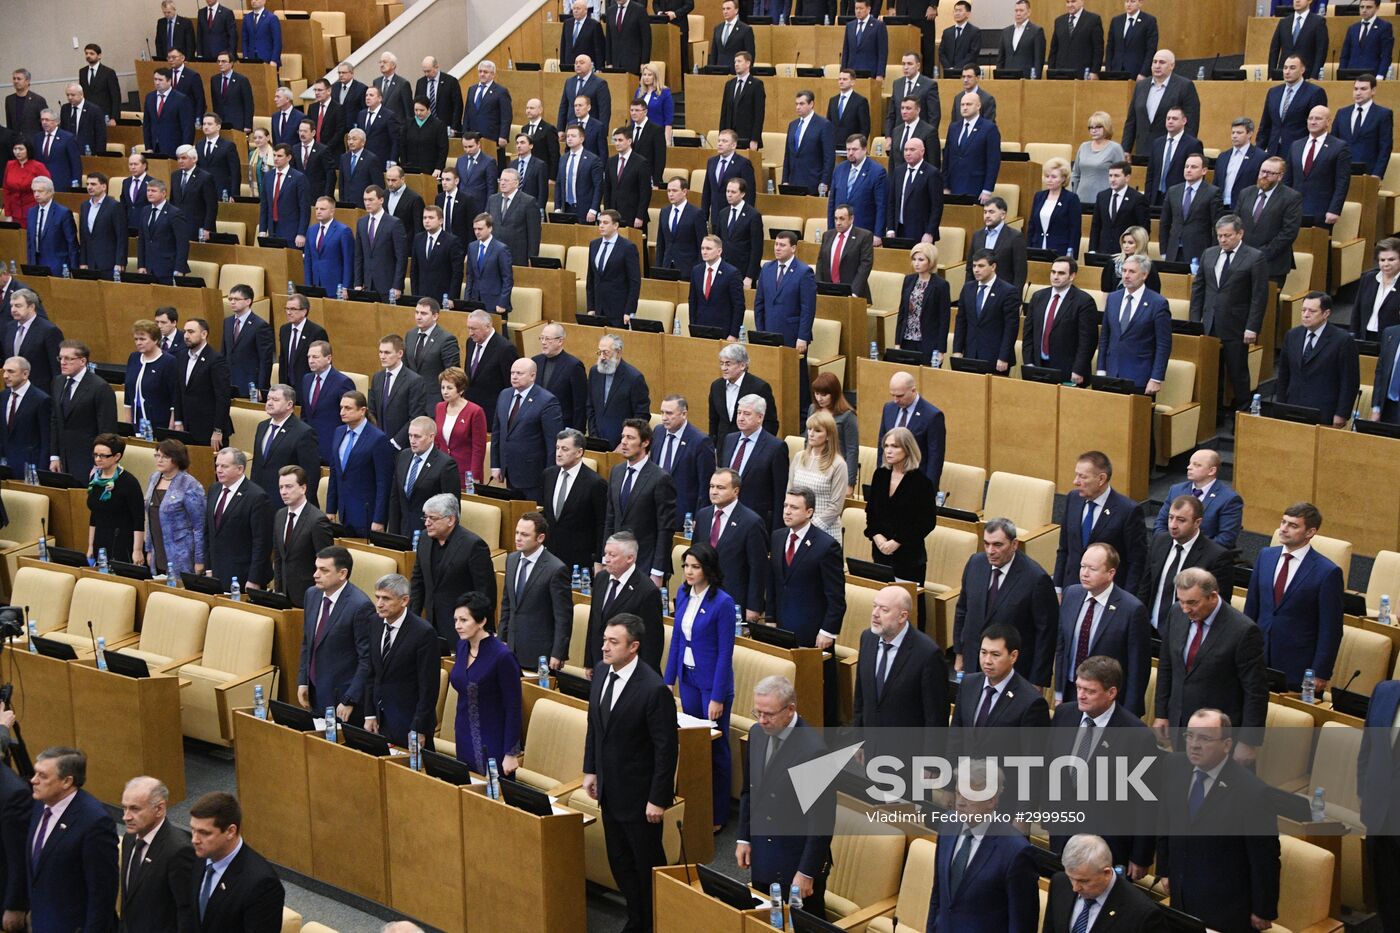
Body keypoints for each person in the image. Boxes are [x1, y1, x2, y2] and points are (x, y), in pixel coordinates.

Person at [583, 614, 677, 933]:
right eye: (604, 639)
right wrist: (590, 770)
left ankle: (657, 923)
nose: (605, 647)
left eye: (613, 642)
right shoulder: (600, 674)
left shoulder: (653, 689)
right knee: (620, 863)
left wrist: (658, 799)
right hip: (610, 790)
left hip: (640, 799)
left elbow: (666, 749)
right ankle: (637, 920)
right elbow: (594, 727)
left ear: (633, 647)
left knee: (646, 866)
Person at [1155, 710, 1282, 933]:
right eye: (1190, 736)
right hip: (1181, 894)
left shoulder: (1253, 793)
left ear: (1227, 745)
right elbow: (1165, 821)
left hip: (1226, 907)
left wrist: (1263, 909)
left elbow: (1264, 858)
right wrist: (1165, 869)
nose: (1194, 745)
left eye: (1204, 738)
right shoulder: (1173, 765)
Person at [1045, 661, 1161, 874]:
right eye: (1079, 687)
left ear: (1111, 692)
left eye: (1089, 690)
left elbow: (1147, 803)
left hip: (1107, 842)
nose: (1080, 695)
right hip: (1062, 834)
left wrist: (1140, 856)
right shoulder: (1065, 715)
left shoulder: (1137, 735)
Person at [736, 674, 834, 915]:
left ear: (790, 709)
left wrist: (806, 872)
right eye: (757, 712)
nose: (761, 720)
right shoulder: (757, 733)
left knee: (800, 924)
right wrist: (744, 837)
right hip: (763, 853)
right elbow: (750, 791)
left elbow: (821, 821)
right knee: (764, 919)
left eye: (768, 714)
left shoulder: (813, 750)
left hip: (795, 860)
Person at [1152, 569, 1269, 759]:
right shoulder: (1176, 613)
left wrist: (1248, 741)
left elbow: (1255, 691)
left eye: (1192, 602)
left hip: (1218, 735)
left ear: (1213, 596)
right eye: (1181, 601)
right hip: (1181, 724)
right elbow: (1167, 666)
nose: (1185, 609)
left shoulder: (1243, 631)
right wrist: (1161, 713)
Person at [663, 543, 736, 827]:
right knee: (693, 744)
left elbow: (724, 652)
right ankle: (696, 808)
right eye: (685, 566)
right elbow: (678, 640)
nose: (689, 572)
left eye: (695, 567)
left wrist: (717, 697)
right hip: (689, 680)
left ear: (708, 569)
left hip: (712, 685)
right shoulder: (682, 593)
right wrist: (668, 681)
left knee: (715, 748)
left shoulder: (723, 602)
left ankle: (718, 814)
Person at [926, 761, 1039, 932]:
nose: (960, 803)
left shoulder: (1016, 850)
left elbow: (1022, 924)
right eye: (958, 793)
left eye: (968, 796)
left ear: (991, 801)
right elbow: (938, 894)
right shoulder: (948, 823)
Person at [1245, 502, 1344, 692]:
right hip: (1259, 657)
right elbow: (1251, 609)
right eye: (1283, 522)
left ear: (1310, 532)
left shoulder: (1327, 572)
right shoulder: (1265, 556)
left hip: (1297, 666)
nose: (1283, 529)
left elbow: (1330, 629)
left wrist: (1320, 672)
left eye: (1293, 525)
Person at [953, 517, 1058, 685]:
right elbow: (962, 610)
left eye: (997, 545)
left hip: (1013, 671)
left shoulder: (1036, 578)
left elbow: (1046, 633)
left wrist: (1037, 680)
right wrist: (959, 653)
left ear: (1014, 544)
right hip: (974, 662)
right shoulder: (975, 564)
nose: (990, 551)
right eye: (986, 544)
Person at [26, 747, 118, 932]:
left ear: (67, 781)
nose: (33, 780)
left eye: (42, 776)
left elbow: (102, 892)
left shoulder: (95, 822)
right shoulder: (41, 804)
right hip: (42, 921)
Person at [1055, 542, 1151, 713]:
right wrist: (1059, 693)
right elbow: (1062, 647)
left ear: (1110, 573)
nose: (1084, 573)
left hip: (1107, 701)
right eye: (1082, 566)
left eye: (1092, 568)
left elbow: (1138, 667)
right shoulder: (1071, 594)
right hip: (1071, 690)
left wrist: (1130, 712)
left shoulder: (1132, 609)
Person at [1190, 215, 1268, 412]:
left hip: (1236, 325)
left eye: (1227, 235)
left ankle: (1241, 414)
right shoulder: (1209, 253)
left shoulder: (1254, 257)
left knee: (1237, 372)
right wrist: (1194, 322)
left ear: (1240, 233)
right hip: (1210, 323)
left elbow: (1259, 296)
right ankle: (1213, 414)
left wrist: (1252, 327)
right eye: (1220, 236)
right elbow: (1199, 290)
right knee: (1210, 373)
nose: (1223, 240)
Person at [948, 625, 1052, 762]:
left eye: (995, 655)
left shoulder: (1031, 702)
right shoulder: (969, 684)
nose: (987, 661)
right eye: (983, 652)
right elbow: (956, 734)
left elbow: (1032, 760)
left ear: (1013, 656)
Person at [298, 546, 374, 724]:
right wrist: (303, 680)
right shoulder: (312, 594)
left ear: (342, 574)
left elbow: (366, 660)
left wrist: (350, 699)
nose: (316, 574)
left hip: (343, 700)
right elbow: (307, 642)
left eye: (324, 570)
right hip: (315, 692)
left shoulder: (360, 606)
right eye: (316, 568)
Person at [187, 792, 285, 931]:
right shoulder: (199, 856)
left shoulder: (262, 883)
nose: (194, 840)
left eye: (204, 833)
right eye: (193, 830)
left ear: (230, 831)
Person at [1054, 451, 1147, 594]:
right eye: (1076, 474)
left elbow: (1136, 561)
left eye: (1083, 477)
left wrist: (1126, 600)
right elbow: (1064, 548)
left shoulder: (1128, 511)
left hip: (1107, 593)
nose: (1075, 481)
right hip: (1071, 589)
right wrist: (1058, 587)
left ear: (1101, 479)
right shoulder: (1073, 499)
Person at [361, 573, 438, 745]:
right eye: (377, 597)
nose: (379, 604)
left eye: (386, 599)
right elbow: (371, 672)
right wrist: (370, 713)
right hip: (380, 720)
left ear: (404, 601)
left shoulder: (423, 633)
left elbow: (428, 688)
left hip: (409, 722)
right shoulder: (374, 623)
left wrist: (419, 728)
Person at [1141, 494, 1236, 632]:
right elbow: (1146, 584)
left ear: (1197, 522)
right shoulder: (1160, 541)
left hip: (1187, 632)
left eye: (1181, 520)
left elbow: (1217, 604)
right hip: (1150, 627)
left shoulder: (1217, 556)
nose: (1173, 525)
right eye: (1170, 517)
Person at [410, 494, 496, 644]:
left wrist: (482, 629)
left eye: (433, 518)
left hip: (462, 628)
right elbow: (418, 581)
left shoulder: (473, 546)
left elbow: (485, 591)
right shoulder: (424, 539)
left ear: (450, 519)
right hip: (430, 623)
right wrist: (412, 619)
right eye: (426, 518)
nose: (427, 523)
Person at [119, 775, 198, 933]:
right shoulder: (130, 837)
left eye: (135, 809)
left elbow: (186, 910)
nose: (125, 817)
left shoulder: (179, 850)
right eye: (124, 807)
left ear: (159, 809)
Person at [498, 512, 573, 670]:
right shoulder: (511, 560)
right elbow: (507, 604)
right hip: (510, 649)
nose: (518, 538)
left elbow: (563, 617)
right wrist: (502, 638)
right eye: (517, 532)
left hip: (539, 653)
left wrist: (558, 653)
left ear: (540, 538)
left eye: (524, 534)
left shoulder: (556, 569)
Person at [1043, 834, 1164, 932]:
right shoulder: (1060, 883)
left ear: (1106, 873)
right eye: (1071, 877)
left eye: (1083, 881)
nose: (1075, 888)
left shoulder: (1143, 914)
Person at [863, 424, 936, 584]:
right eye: (886, 446)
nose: (888, 451)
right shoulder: (880, 475)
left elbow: (926, 522)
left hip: (909, 558)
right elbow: (871, 512)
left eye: (895, 446)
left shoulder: (922, 483)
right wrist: (877, 536)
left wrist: (897, 542)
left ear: (908, 449)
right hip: (881, 552)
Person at [1275, 292, 1361, 427]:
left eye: (1312, 311)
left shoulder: (1342, 340)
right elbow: (1283, 374)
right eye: (1303, 310)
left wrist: (1342, 413)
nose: (1306, 314)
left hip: (1324, 412)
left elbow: (1349, 381)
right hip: (1292, 407)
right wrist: (1280, 405)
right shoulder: (1292, 335)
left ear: (1326, 314)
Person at [584, 533, 665, 672]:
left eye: (612, 555)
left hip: (628, 669)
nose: (606, 560)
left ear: (630, 558)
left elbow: (652, 643)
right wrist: (590, 662)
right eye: (606, 554)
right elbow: (594, 621)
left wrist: (641, 676)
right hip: (600, 663)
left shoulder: (647, 591)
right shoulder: (601, 579)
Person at [755, 231, 817, 407]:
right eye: (776, 244)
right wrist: (761, 332)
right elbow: (759, 303)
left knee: (796, 379)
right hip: (769, 334)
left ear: (793, 248)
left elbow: (808, 308)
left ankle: (802, 413)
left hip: (793, 336)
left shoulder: (804, 272)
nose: (777, 248)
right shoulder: (767, 268)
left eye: (782, 245)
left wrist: (803, 337)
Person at [1358, 678, 1400, 930]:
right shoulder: (1384, 692)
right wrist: (1364, 792)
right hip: (1379, 816)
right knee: (1386, 895)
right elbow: (1367, 749)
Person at [492, 357, 563, 501]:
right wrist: (496, 464)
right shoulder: (504, 395)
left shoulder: (547, 401)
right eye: (512, 373)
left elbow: (553, 443)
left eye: (519, 373)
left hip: (534, 476)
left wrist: (550, 475)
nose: (514, 376)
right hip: (510, 471)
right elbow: (497, 432)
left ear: (532, 376)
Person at [1099, 255, 1171, 395]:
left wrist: (1156, 378)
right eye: (1124, 271)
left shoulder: (1158, 303)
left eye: (1132, 272)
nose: (1126, 275)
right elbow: (1105, 337)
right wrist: (1101, 369)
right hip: (1112, 373)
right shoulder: (1113, 298)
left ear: (1144, 275)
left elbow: (1163, 344)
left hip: (1140, 377)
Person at [541, 428, 608, 574]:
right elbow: (547, 514)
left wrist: (599, 559)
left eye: (565, 449)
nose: (558, 453)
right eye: (557, 448)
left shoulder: (595, 483)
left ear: (579, 452)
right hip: (550, 556)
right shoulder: (549, 475)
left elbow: (602, 524)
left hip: (580, 561)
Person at [50, 339, 118, 483]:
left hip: (88, 458)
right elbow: (55, 420)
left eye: (68, 359)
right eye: (60, 358)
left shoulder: (100, 387)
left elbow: (106, 430)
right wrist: (54, 456)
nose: (63, 362)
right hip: (63, 457)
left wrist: (99, 463)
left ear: (82, 361)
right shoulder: (58, 382)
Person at [327, 391, 394, 535]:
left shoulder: (378, 439)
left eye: (348, 408)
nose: (342, 412)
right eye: (341, 407)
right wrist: (330, 509)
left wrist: (379, 519)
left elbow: (384, 483)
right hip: (343, 511)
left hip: (366, 514)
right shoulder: (339, 432)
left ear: (362, 410)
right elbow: (335, 474)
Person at [204, 448, 271, 589]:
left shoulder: (257, 496)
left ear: (240, 469)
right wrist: (208, 568)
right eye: (217, 466)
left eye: (224, 466)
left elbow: (262, 543)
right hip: (216, 573)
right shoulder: (214, 489)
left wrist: (254, 579)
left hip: (243, 576)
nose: (219, 470)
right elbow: (208, 532)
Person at [719, 395, 788, 531]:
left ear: (760, 417)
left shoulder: (775, 447)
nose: (741, 418)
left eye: (747, 414)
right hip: (727, 514)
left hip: (757, 520)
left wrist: (777, 531)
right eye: (739, 413)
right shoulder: (729, 439)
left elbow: (780, 494)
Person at [1023, 257, 1096, 384]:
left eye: (1061, 273)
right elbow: (1028, 333)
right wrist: (1028, 362)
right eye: (1053, 272)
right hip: (1038, 366)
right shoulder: (1038, 297)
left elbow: (1088, 341)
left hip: (1068, 370)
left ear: (1072, 276)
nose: (1055, 276)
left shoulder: (1084, 301)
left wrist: (1078, 369)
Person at [1152, 449, 1244, 549]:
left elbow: (1226, 538)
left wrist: (1191, 550)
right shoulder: (1176, 490)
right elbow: (1160, 524)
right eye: (1190, 463)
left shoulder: (1229, 499)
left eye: (1196, 465)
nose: (1189, 467)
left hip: (1205, 556)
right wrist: (1171, 545)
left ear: (1212, 471)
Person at [143, 439, 206, 579]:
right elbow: (149, 517)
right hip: (157, 549)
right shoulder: (154, 478)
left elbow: (199, 526)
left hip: (181, 553)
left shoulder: (189, 484)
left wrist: (199, 559)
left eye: (165, 457)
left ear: (177, 459)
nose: (159, 460)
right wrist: (148, 549)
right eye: (157, 455)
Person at [272, 465, 333, 607]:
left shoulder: (317, 520)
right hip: (284, 595)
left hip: (309, 596)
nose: (283, 492)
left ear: (303, 488)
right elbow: (279, 557)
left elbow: (326, 563)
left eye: (289, 487)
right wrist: (278, 590)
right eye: (281, 487)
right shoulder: (280, 515)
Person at [1238, 157, 1303, 286]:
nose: (1264, 176)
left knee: (1268, 303)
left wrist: (1261, 254)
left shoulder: (1291, 197)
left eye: (1270, 173)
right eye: (1262, 171)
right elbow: (1236, 223)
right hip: (1243, 260)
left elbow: (1288, 232)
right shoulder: (1246, 193)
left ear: (1280, 176)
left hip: (1272, 263)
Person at [1121, 50, 1199, 157]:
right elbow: (1131, 120)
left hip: (1171, 151)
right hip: (1142, 150)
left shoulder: (1185, 86)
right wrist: (1125, 149)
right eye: (1154, 62)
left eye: (1162, 62)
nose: (1157, 66)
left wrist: (1185, 151)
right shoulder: (1141, 86)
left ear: (1172, 65)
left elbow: (1191, 123)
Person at [390, 418, 459, 537]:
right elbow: (395, 498)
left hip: (430, 534)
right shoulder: (403, 456)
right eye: (410, 435)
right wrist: (393, 533)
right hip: (403, 531)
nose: (412, 441)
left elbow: (451, 507)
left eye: (417, 436)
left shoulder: (445, 464)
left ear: (431, 437)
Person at [954, 250, 1020, 372]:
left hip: (995, 358)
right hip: (970, 353)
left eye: (981, 266)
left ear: (993, 266)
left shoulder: (1008, 291)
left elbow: (1011, 327)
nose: (976, 270)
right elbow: (961, 321)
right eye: (974, 266)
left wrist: (1003, 357)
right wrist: (957, 350)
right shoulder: (968, 288)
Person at [1286, 105, 1351, 227]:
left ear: (1328, 122)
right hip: (1294, 210)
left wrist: (1334, 210)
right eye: (1310, 118)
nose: (1313, 122)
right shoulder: (1296, 145)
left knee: (1319, 244)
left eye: (1318, 119)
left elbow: (1342, 182)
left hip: (1321, 210)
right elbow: (1288, 180)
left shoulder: (1339, 146)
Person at [878, 371, 944, 489]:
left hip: (916, 483)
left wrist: (928, 489)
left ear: (913, 390)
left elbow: (935, 457)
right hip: (890, 480)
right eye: (892, 395)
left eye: (900, 396)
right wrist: (880, 478)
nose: (895, 400)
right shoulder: (889, 409)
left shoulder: (932, 416)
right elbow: (881, 446)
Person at [651, 395, 714, 518]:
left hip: (683, 513)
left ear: (684, 414)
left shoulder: (700, 441)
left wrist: (700, 517)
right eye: (662, 412)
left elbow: (705, 485)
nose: (664, 418)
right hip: (656, 509)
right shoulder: (658, 432)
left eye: (669, 413)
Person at [87, 433, 145, 566]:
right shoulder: (94, 479)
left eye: (103, 456)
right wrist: (90, 546)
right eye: (95, 455)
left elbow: (139, 519)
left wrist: (137, 550)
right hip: (100, 541)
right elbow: (94, 514)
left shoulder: (129, 482)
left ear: (117, 456)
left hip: (121, 541)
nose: (98, 459)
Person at [789, 411, 847, 538]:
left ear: (828, 435)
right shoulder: (799, 457)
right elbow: (790, 493)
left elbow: (836, 506)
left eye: (817, 430)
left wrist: (810, 527)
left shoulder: (838, 464)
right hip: (798, 527)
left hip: (825, 530)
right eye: (809, 429)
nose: (811, 433)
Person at [369, 334, 430, 451]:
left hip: (402, 447)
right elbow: (372, 412)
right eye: (380, 352)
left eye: (387, 353)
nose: (382, 356)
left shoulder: (414, 380)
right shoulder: (377, 377)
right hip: (378, 443)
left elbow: (415, 417)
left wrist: (395, 442)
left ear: (400, 354)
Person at [1160, 153, 1223, 266]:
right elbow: (1165, 223)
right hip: (1173, 251)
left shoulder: (1212, 192)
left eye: (1193, 167)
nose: (1188, 170)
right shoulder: (1173, 191)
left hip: (1198, 251)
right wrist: (1164, 250)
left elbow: (1217, 226)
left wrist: (1213, 253)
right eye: (1186, 166)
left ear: (1204, 171)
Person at [1259, 56, 1327, 158]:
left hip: (1299, 151)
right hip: (1274, 150)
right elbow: (1265, 125)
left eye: (1292, 68)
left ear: (1302, 70)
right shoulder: (1273, 92)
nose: (1287, 71)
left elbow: (1317, 126)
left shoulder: (1314, 92)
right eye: (1285, 68)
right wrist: (1258, 152)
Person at [587, 334, 648, 447]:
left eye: (606, 352)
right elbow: (590, 407)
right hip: (597, 441)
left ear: (618, 353)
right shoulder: (595, 372)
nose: (602, 357)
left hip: (623, 445)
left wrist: (626, 441)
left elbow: (641, 416)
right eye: (599, 352)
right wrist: (594, 436)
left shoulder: (634, 378)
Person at [298, 341, 354, 465]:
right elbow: (305, 414)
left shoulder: (343, 382)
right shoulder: (306, 379)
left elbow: (350, 418)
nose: (310, 360)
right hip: (309, 446)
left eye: (315, 357)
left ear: (328, 358)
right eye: (309, 357)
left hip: (332, 446)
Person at [709, 344, 778, 442]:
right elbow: (714, 420)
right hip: (724, 447)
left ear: (742, 365)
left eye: (728, 364)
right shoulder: (716, 386)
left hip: (750, 446)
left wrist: (760, 447)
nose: (723, 368)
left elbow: (770, 423)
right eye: (721, 363)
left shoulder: (759, 387)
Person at [826, 145, 884, 261]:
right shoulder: (840, 169)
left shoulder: (877, 171)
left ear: (864, 150)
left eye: (854, 149)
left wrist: (878, 234)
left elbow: (881, 205)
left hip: (863, 229)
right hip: (841, 230)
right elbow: (832, 201)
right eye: (848, 150)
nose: (850, 153)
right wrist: (831, 230)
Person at [463, 311, 518, 428]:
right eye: (469, 328)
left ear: (487, 327)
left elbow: (511, 385)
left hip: (492, 413)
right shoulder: (471, 342)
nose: (470, 333)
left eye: (474, 329)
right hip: (471, 409)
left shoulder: (505, 348)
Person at [586, 211, 641, 327]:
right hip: (598, 309)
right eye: (600, 222)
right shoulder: (594, 245)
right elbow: (591, 278)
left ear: (616, 225)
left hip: (618, 310)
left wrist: (629, 311)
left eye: (605, 223)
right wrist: (590, 307)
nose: (601, 225)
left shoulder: (628, 247)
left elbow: (634, 282)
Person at [943, 92, 1000, 203]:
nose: (964, 108)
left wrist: (987, 189)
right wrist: (945, 185)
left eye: (968, 104)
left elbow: (993, 161)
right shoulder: (954, 127)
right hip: (953, 186)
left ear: (978, 106)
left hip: (976, 187)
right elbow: (947, 158)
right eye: (962, 105)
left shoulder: (989, 128)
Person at [433, 367, 486, 484]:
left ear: (461, 390)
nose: (445, 391)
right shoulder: (439, 407)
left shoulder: (475, 411)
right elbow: (437, 441)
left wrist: (474, 475)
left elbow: (479, 448)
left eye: (449, 388)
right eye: (442, 387)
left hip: (465, 472)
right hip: (443, 469)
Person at [1143, 106, 1202, 208]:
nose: (1170, 121)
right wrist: (1148, 198)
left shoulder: (1193, 144)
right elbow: (1150, 174)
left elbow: (1197, 174)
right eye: (1168, 118)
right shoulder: (1157, 143)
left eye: (1174, 119)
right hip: (1156, 197)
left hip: (1179, 197)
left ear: (1184, 121)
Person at [7, 287, 62, 393]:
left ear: (31, 307)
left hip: (40, 392)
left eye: (18, 306)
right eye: (12, 306)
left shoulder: (49, 331)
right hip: (13, 390)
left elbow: (56, 369)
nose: (13, 309)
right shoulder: (9, 328)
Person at [354, 186, 408, 295]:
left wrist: (397, 286)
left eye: (371, 200)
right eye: (365, 200)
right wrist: (358, 283)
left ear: (381, 200)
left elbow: (401, 257)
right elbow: (359, 256)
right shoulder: (361, 223)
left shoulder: (394, 223)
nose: (367, 203)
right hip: (367, 284)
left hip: (387, 284)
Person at [221, 285, 274, 395]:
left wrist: (262, 388)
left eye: (236, 299)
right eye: (230, 299)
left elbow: (265, 360)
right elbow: (224, 353)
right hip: (229, 381)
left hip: (249, 383)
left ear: (248, 301)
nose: (232, 302)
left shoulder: (260, 326)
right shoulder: (228, 322)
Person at [689, 235, 745, 340]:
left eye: (708, 249)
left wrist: (733, 334)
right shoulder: (696, 271)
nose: (704, 252)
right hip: (700, 330)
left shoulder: (732, 273)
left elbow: (739, 306)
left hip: (723, 332)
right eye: (702, 248)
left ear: (719, 251)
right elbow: (693, 301)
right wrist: (693, 326)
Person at [0, 356, 50, 471]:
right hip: (4, 465)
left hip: (29, 466)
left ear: (25, 374)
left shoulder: (41, 399)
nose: (5, 376)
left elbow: (45, 439)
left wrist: (41, 470)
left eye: (11, 371)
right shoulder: (3, 396)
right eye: (4, 371)